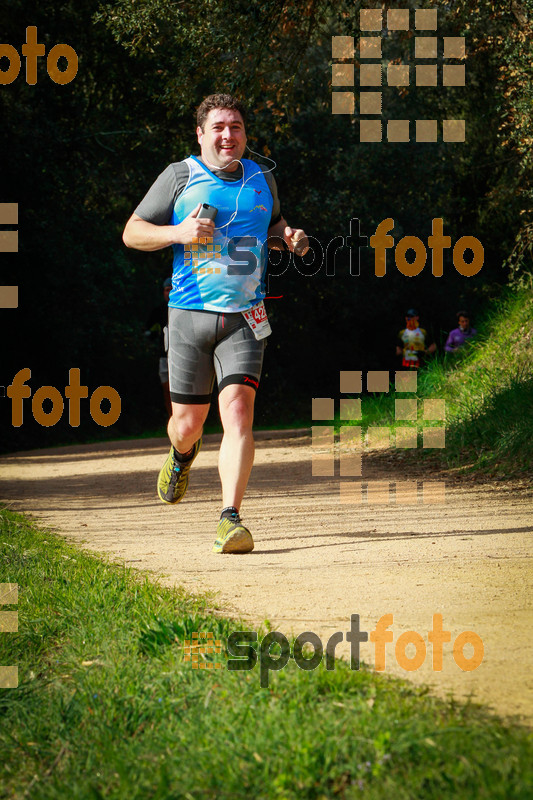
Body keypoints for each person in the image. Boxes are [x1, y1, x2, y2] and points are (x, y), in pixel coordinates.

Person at [123, 93, 308, 554]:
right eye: (220, 127)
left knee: (239, 415)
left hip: (246, 317)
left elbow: (274, 224)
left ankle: (230, 518)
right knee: (187, 425)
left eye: (237, 127)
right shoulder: (180, 175)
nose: (229, 136)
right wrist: (176, 232)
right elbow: (132, 232)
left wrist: (289, 237)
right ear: (201, 135)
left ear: (246, 133)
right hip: (188, 317)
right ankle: (182, 456)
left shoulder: (263, 177)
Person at [144, 277, 172, 418]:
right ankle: (171, 418)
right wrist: (154, 335)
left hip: (184, 355)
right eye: (167, 290)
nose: (169, 293)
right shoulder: (159, 310)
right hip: (164, 356)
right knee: (167, 390)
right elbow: (146, 329)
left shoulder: (187, 308)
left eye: (172, 289)